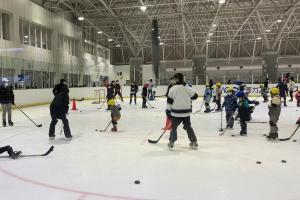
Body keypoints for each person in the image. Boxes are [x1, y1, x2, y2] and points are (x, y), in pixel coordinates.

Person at [166, 73, 198, 149]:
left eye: (174, 78)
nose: (173, 80)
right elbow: (195, 96)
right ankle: (194, 142)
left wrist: (168, 111)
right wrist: (187, 98)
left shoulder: (172, 88)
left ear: (177, 79)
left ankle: (171, 142)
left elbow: (169, 101)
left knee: (173, 128)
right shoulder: (187, 87)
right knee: (188, 127)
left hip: (176, 113)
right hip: (186, 113)